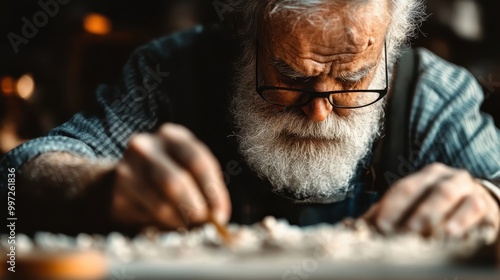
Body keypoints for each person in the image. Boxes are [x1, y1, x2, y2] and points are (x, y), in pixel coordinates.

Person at [1, 0, 499, 238]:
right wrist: (97, 187)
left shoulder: (432, 94)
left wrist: (488, 200)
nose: (320, 110)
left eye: (353, 80)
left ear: (392, 41)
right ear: (245, 36)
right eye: (290, 76)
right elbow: (11, 188)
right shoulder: (170, 73)